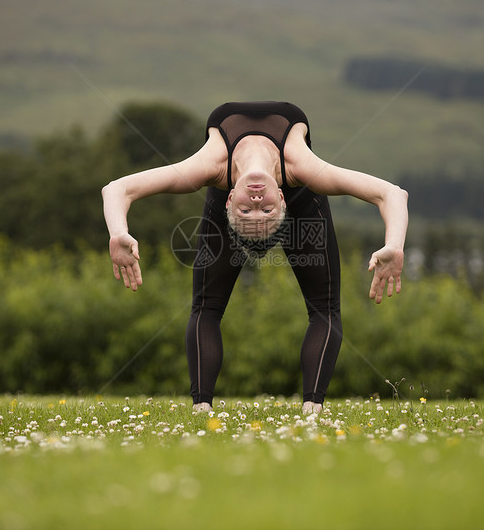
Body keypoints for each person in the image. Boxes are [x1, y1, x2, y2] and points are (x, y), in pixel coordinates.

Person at [102, 101, 408, 415]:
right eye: (257, 210)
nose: (258, 201)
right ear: (280, 204)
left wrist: (118, 233)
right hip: (297, 189)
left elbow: (117, 190)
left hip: (278, 189)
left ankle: (312, 409)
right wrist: (394, 245)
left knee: (323, 308)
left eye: (250, 210)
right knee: (209, 305)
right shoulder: (304, 169)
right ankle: (202, 409)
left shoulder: (209, 167)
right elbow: (392, 194)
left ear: (232, 201)